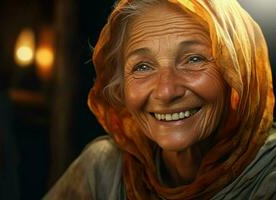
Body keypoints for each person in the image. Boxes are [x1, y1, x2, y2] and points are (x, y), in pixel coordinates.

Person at [43, 0, 276, 199]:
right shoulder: (103, 169)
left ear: (238, 71)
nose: (166, 91)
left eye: (194, 59)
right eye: (143, 66)